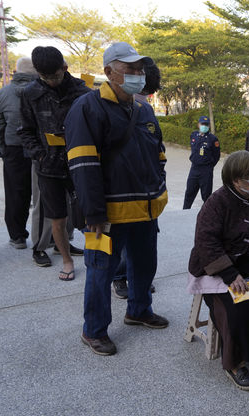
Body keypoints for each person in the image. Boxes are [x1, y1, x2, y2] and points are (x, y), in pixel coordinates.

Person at [65, 42, 169, 355]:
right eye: (130, 69)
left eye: (140, 69)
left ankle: (139, 310)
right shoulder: (87, 108)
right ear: (109, 71)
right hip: (106, 215)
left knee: (144, 265)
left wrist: (159, 189)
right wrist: (93, 213)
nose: (137, 74)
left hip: (145, 210)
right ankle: (94, 330)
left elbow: (159, 154)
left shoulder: (143, 109)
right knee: (100, 273)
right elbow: (83, 165)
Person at [187, 151, 249, 390]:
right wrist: (231, 275)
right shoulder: (217, 203)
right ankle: (235, 363)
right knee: (239, 306)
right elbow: (206, 242)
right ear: (235, 181)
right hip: (224, 269)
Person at [19, 47, 90, 281]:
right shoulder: (30, 93)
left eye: (55, 76)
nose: (50, 82)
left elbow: (96, 126)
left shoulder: (82, 91)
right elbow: (26, 131)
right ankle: (67, 259)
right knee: (56, 217)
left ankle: (97, 257)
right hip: (48, 165)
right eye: (45, 77)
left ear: (65, 69)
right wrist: (39, 154)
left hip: (80, 163)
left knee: (90, 214)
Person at [113, 57, 162, 299]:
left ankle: (134, 285)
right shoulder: (113, 106)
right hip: (126, 190)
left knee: (139, 245)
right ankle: (123, 278)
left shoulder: (145, 108)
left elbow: (157, 150)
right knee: (126, 243)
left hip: (145, 191)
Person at [0, 57, 36, 250]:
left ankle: (18, 237)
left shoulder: (3, 93)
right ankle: (49, 236)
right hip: (39, 148)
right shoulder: (41, 91)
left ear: (16, 72)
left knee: (15, 192)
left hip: (13, 148)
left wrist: (3, 141)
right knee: (43, 193)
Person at [183, 115, 221, 209]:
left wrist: (209, 165)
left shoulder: (213, 139)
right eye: (202, 124)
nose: (204, 126)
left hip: (206, 170)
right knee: (189, 193)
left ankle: (207, 215)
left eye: (206, 124)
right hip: (194, 168)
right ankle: (184, 212)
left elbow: (216, 156)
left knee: (206, 195)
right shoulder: (194, 135)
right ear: (198, 124)